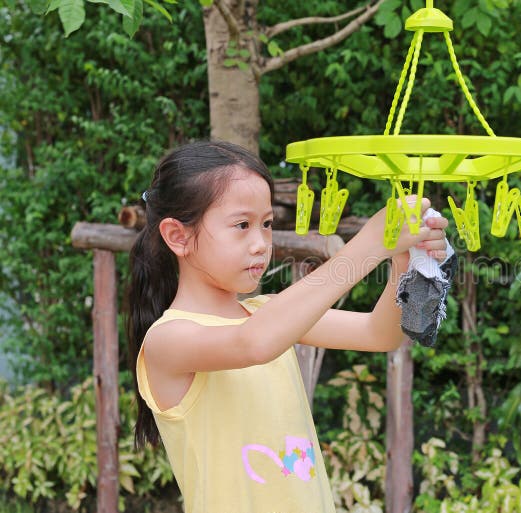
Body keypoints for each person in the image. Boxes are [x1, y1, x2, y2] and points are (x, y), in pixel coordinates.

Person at [125, 140, 450, 512]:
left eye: (266, 225)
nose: (261, 243)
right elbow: (254, 344)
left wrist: (403, 261)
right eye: (242, 225)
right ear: (178, 236)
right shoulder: (168, 339)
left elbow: (380, 334)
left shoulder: (265, 314)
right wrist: (370, 245)